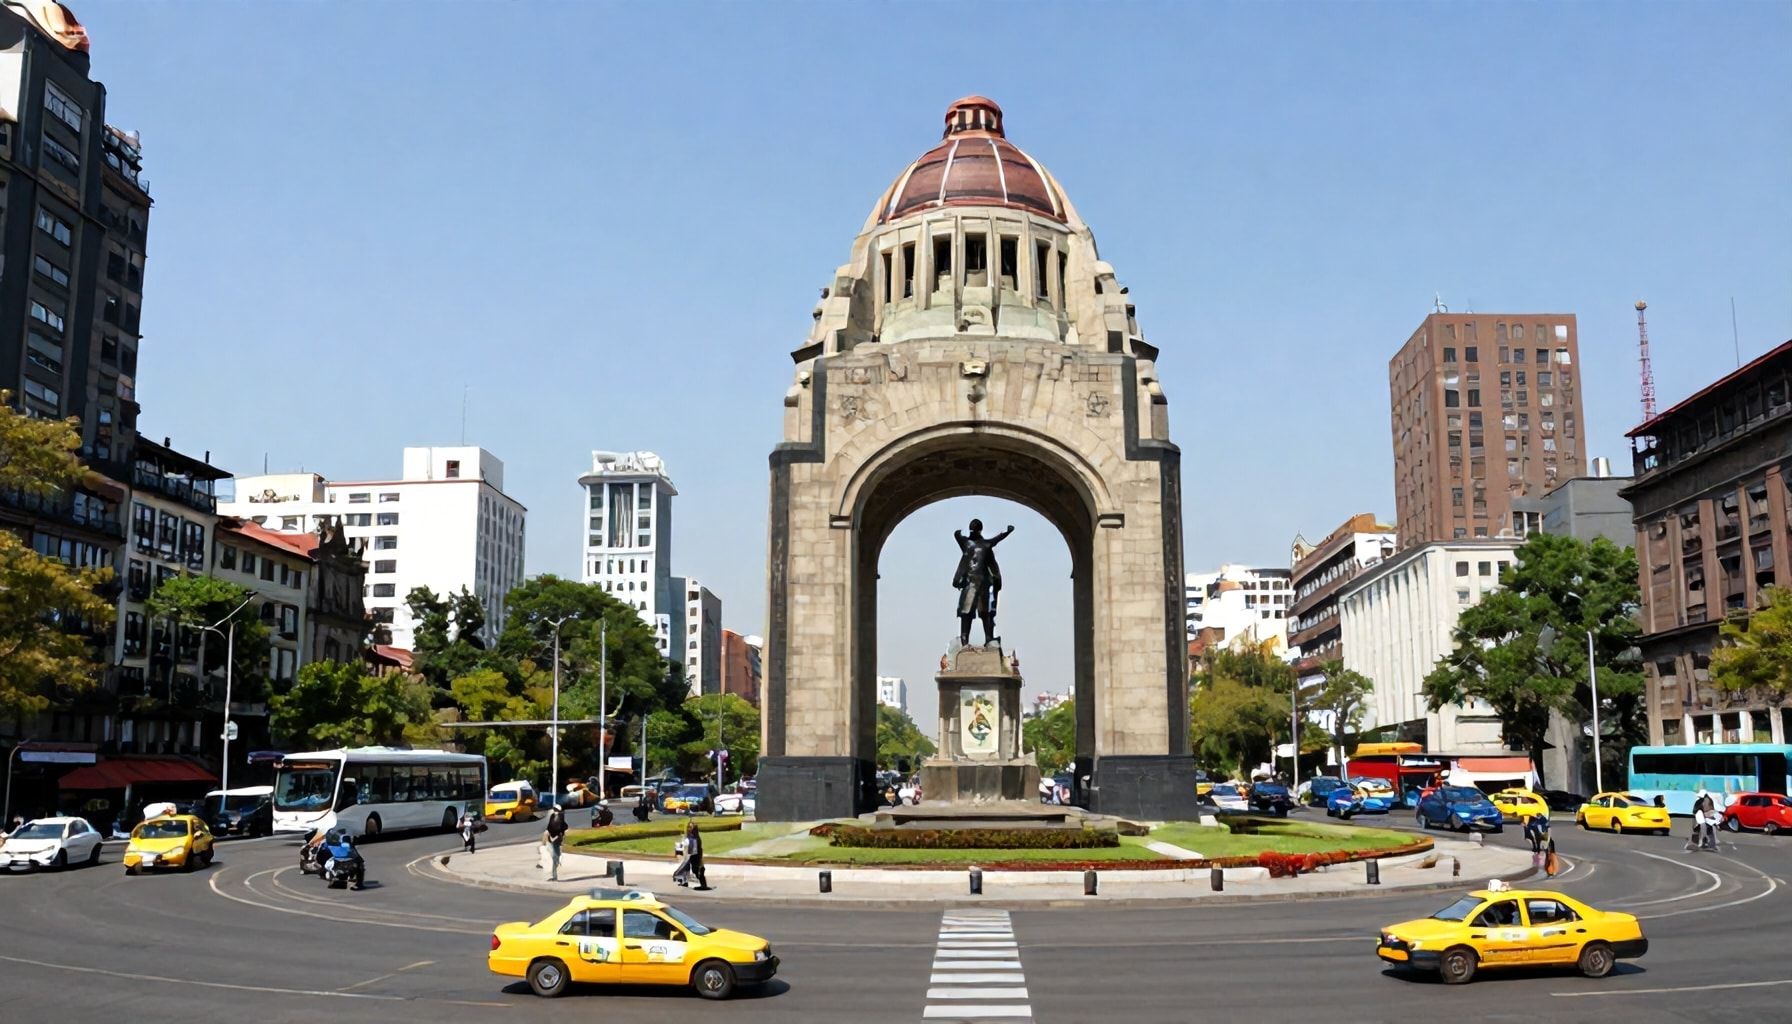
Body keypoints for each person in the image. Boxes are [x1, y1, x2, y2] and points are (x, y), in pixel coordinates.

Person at [543, 807, 567, 881]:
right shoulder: (553, 816)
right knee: (554, 856)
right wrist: (547, 831)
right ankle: (555, 876)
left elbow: (564, 826)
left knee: (556, 856)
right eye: (555, 810)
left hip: (557, 838)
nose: (555, 811)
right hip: (551, 838)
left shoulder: (561, 817)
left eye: (556, 810)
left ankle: (555, 875)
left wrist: (561, 834)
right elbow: (550, 825)